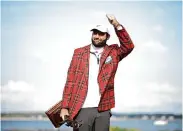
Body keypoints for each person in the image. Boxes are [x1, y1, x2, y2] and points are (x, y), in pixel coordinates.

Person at [60, 14, 134, 131]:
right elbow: (70, 81)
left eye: (101, 34)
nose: (97, 36)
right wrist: (64, 107)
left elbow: (128, 46)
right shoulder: (78, 53)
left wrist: (116, 24)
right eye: (95, 33)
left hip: (103, 108)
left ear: (107, 37)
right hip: (82, 107)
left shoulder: (113, 52)